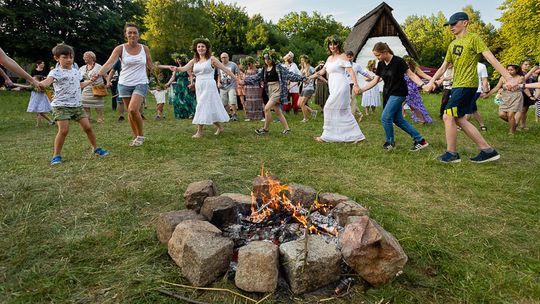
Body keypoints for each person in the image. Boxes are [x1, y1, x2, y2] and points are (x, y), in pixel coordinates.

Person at [425, 12, 519, 163]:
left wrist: (508, 78)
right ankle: (487, 150)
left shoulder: (473, 38)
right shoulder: (452, 45)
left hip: (467, 85)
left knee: (447, 115)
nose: (451, 27)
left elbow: (490, 58)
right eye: (449, 25)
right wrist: (433, 81)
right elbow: (444, 67)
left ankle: (451, 154)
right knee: (459, 119)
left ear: (465, 23)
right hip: (457, 86)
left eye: (454, 24)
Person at [38, 43, 108, 165]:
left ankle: (96, 148)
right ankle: (56, 155)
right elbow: (47, 82)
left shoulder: (76, 72)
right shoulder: (55, 72)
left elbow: (79, 85)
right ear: (56, 58)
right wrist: (42, 84)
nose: (69, 60)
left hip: (77, 105)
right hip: (61, 105)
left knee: (88, 127)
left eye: (71, 57)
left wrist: (90, 81)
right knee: (64, 130)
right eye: (65, 57)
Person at [160, 38, 237, 138]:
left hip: (209, 85)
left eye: (203, 46)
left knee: (200, 106)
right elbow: (183, 69)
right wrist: (176, 68)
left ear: (206, 48)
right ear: (196, 49)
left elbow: (225, 69)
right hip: (199, 86)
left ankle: (199, 131)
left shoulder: (212, 59)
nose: (201, 48)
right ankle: (220, 127)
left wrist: (236, 79)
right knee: (208, 107)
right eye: (199, 46)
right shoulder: (194, 60)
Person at [359, 42, 428, 151]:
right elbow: (375, 80)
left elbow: (411, 74)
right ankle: (420, 140)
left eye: (378, 55)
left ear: (385, 52)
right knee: (398, 119)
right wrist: (362, 90)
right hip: (388, 94)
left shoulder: (399, 61)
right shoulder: (381, 64)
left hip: (399, 93)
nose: (377, 58)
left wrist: (423, 85)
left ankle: (389, 143)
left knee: (385, 117)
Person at [95, 22, 154, 147]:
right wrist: (99, 73)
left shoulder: (145, 48)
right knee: (130, 112)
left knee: (133, 109)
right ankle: (136, 137)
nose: (132, 35)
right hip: (124, 83)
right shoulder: (120, 48)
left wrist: (162, 70)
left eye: (135, 32)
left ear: (139, 35)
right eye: (130, 32)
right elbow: (109, 63)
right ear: (126, 35)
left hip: (141, 82)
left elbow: (151, 65)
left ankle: (140, 135)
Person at [308, 35, 365, 143]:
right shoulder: (329, 58)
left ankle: (326, 136)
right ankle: (355, 136)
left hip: (341, 86)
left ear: (338, 44)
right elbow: (322, 72)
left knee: (328, 108)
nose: (332, 46)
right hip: (333, 87)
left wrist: (356, 85)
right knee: (342, 111)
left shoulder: (342, 56)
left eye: (335, 44)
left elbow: (351, 71)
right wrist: (308, 77)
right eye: (330, 44)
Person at [242, 48, 306, 135]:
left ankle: (265, 129)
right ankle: (287, 129)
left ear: (273, 59)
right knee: (277, 111)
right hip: (270, 90)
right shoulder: (264, 69)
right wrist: (245, 81)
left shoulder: (278, 67)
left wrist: (302, 78)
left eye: (269, 58)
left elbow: (289, 75)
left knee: (266, 108)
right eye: (265, 59)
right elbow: (256, 77)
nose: (267, 60)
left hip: (278, 90)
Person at [482, 64, 524, 135]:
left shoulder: (520, 77)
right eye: (508, 70)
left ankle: (511, 132)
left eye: (512, 70)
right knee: (501, 115)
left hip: (516, 97)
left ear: (516, 70)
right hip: (505, 97)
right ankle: (514, 124)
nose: (509, 71)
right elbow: (497, 87)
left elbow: (517, 85)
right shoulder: (502, 78)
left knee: (510, 115)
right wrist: (488, 95)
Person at [402, 55, 433, 124]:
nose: (406, 64)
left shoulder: (415, 68)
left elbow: (425, 75)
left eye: (407, 63)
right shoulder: (401, 68)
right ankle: (422, 120)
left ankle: (399, 120)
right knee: (411, 105)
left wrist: (434, 80)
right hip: (404, 89)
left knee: (412, 105)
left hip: (412, 90)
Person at [165, 54, 196, 119]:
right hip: (178, 85)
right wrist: (168, 83)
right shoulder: (176, 68)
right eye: (177, 59)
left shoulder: (187, 67)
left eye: (179, 59)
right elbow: (173, 77)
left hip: (185, 84)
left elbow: (190, 75)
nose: (178, 60)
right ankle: (181, 114)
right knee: (178, 99)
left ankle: (191, 113)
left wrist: (191, 83)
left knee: (187, 98)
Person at [345, 50, 372, 121]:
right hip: (345, 85)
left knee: (352, 100)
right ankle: (360, 114)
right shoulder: (343, 65)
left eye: (350, 57)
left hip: (353, 85)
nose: (349, 59)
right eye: (347, 57)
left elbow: (363, 72)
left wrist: (371, 77)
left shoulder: (356, 66)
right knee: (348, 101)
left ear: (353, 57)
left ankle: (351, 117)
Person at [80, 51, 106, 123]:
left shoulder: (99, 67)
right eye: (84, 57)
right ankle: (88, 117)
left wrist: (108, 82)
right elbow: (78, 78)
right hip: (86, 88)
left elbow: (105, 75)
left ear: (92, 58)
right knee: (84, 102)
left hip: (97, 87)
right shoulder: (82, 68)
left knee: (98, 104)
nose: (84, 58)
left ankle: (100, 118)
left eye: (86, 57)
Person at [466, 62, 489, 131]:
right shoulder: (464, 63)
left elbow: (484, 79)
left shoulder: (482, 66)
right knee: (473, 109)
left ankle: (462, 125)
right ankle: (482, 125)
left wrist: (485, 91)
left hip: (476, 90)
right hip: (465, 89)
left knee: (468, 107)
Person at [517, 60, 538, 130]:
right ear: (521, 65)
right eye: (526, 64)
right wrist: (532, 70)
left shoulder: (531, 73)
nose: (527, 66)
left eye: (528, 65)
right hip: (522, 93)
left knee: (525, 110)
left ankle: (523, 125)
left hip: (529, 93)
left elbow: (535, 83)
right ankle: (516, 125)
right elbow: (524, 79)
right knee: (520, 110)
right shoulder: (519, 73)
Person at [217, 52, 239, 121]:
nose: (224, 59)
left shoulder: (233, 65)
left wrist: (237, 82)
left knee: (232, 100)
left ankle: (234, 114)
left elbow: (237, 74)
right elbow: (219, 75)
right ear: (220, 59)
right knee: (224, 102)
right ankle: (228, 114)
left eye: (225, 57)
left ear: (228, 57)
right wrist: (218, 82)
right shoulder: (219, 65)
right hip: (223, 87)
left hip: (231, 86)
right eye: (222, 58)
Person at [241, 56, 264, 121]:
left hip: (256, 88)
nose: (249, 65)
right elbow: (244, 79)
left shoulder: (258, 71)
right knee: (249, 102)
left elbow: (260, 79)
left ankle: (260, 116)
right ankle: (249, 116)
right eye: (248, 64)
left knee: (258, 101)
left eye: (250, 63)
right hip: (248, 88)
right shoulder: (245, 71)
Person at [298, 55, 318, 123]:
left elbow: (316, 75)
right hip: (304, 88)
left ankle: (305, 119)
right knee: (299, 104)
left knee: (302, 103)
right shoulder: (302, 69)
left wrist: (311, 80)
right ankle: (313, 112)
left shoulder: (311, 68)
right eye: (301, 60)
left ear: (306, 60)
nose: (302, 61)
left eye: (303, 60)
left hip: (309, 88)